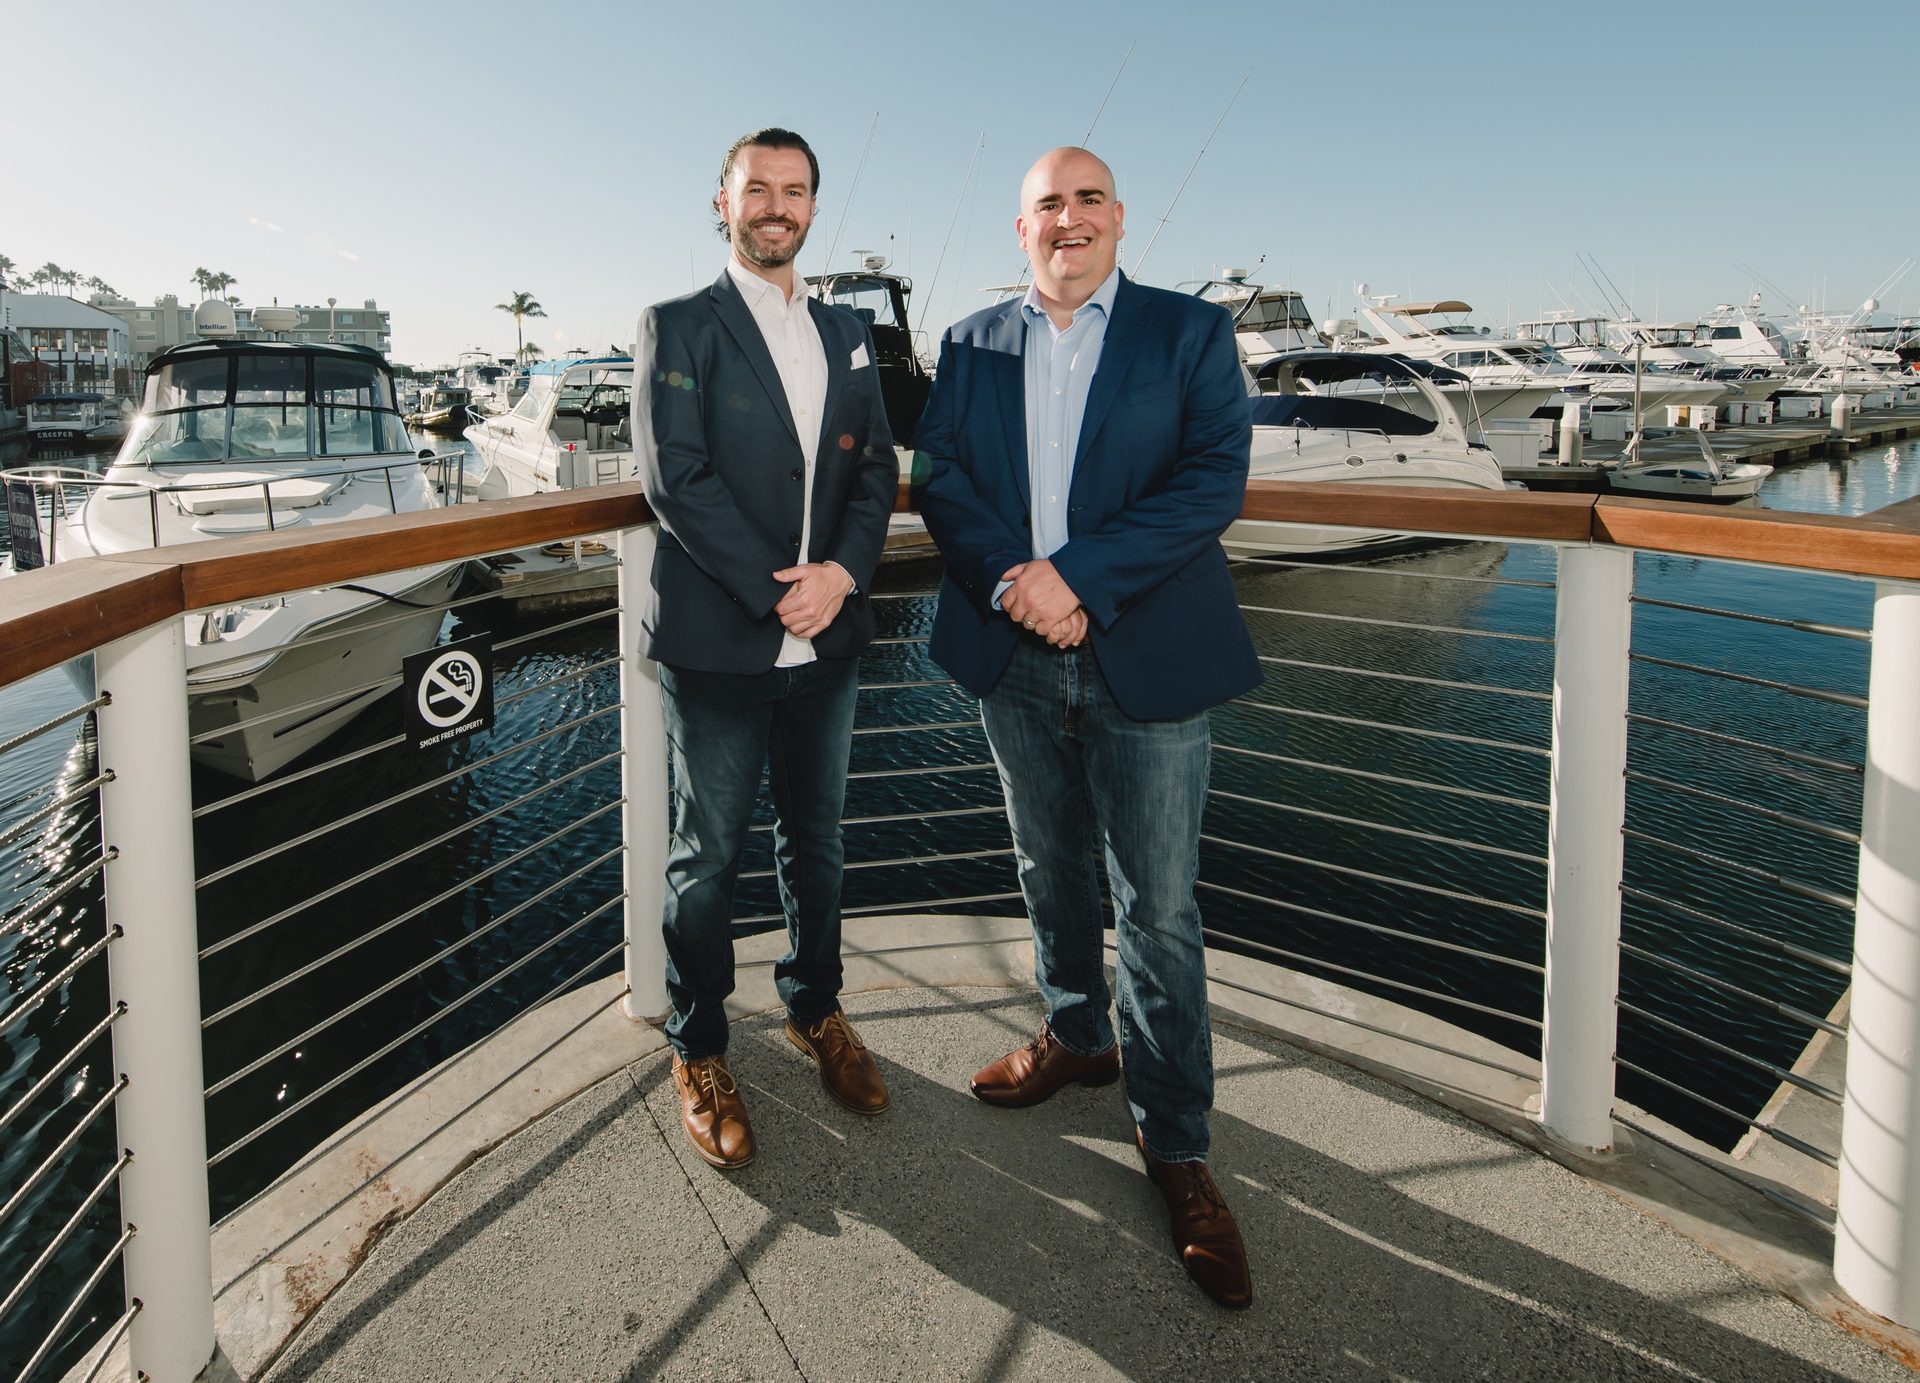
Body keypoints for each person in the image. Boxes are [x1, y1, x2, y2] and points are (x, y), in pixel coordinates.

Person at [912, 146, 1261, 1307]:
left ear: (1121, 218)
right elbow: (944, 477)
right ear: (1021, 231)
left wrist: (1077, 581)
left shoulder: (1188, 335)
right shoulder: (968, 343)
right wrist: (1019, 581)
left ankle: (1177, 1146)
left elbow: (1211, 481)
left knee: (1157, 910)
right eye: (1047, 205)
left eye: (1089, 201)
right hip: (1011, 649)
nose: (1069, 220)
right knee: (1044, 862)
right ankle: (1076, 1037)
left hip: (1143, 652)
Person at [633, 127, 899, 1171]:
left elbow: (876, 470)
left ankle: (814, 1009)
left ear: (813, 210)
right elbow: (675, 477)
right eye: (758, 189)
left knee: (818, 842)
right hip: (721, 639)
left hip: (827, 634)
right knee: (707, 859)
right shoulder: (678, 326)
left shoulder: (845, 331)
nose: (775, 206)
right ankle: (697, 1047)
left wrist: (839, 576)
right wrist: (776, 591)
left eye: (795, 191)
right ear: (723, 201)